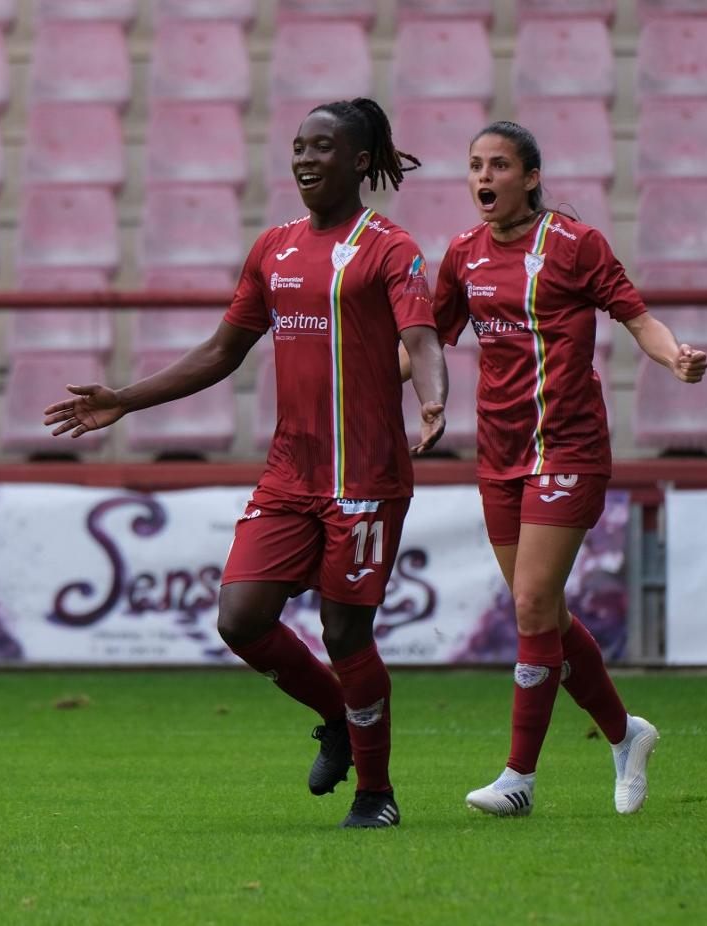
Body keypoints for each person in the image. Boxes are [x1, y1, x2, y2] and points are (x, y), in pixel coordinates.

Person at [44, 98, 446, 828]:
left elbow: (422, 336)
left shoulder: (390, 247)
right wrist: (125, 400)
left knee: (346, 634)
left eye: (321, 147)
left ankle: (376, 794)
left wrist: (432, 400)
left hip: (366, 475)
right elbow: (222, 351)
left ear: (359, 161)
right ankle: (340, 719)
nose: (303, 159)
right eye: (297, 146)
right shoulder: (275, 247)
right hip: (291, 474)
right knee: (240, 618)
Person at [427, 120, 707, 817]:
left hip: (568, 448)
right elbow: (428, 343)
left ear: (529, 176)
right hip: (498, 453)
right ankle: (625, 733)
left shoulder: (576, 246)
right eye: (473, 165)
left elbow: (636, 317)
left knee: (528, 604)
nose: (483, 177)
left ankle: (518, 777)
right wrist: (364, 373)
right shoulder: (461, 254)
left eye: (497, 165)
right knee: (544, 612)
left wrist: (675, 355)